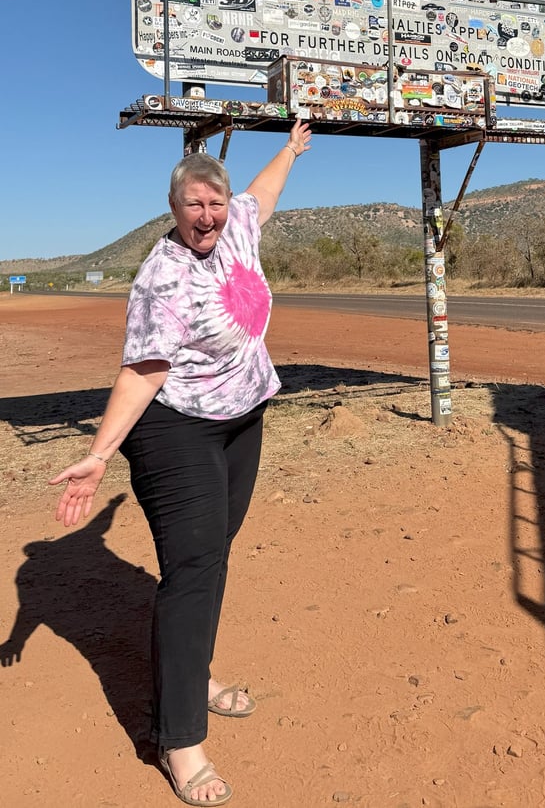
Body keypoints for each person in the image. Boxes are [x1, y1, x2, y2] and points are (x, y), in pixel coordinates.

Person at [50, 119, 312, 805]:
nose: (206, 215)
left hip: (241, 415)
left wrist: (290, 148)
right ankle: (179, 738)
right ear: (173, 207)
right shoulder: (161, 276)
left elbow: (263, 193)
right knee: (194, 567)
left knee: (212, 555)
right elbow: (144, 370)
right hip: (174, 424)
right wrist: (99, 454)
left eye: (214, 202)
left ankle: (192, 676)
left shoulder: (239, 225)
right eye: (193, 204)